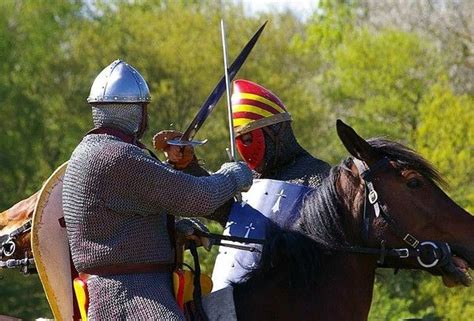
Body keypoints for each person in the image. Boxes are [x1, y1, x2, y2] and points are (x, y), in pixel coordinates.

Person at [62, 60, 253, 320]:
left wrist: (173, 230)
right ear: (136, 110)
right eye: (145, 109)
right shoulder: (117, 156)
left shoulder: (91, 151)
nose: (147, 117)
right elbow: (198, 197)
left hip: (121, 291)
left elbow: (120, 219)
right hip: (133, 296)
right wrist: (234, 174)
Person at [231, 79, 330, 187]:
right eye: (244, 141)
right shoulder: (248, 179)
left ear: (276, 131)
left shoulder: (316, 173)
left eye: (249, 139)